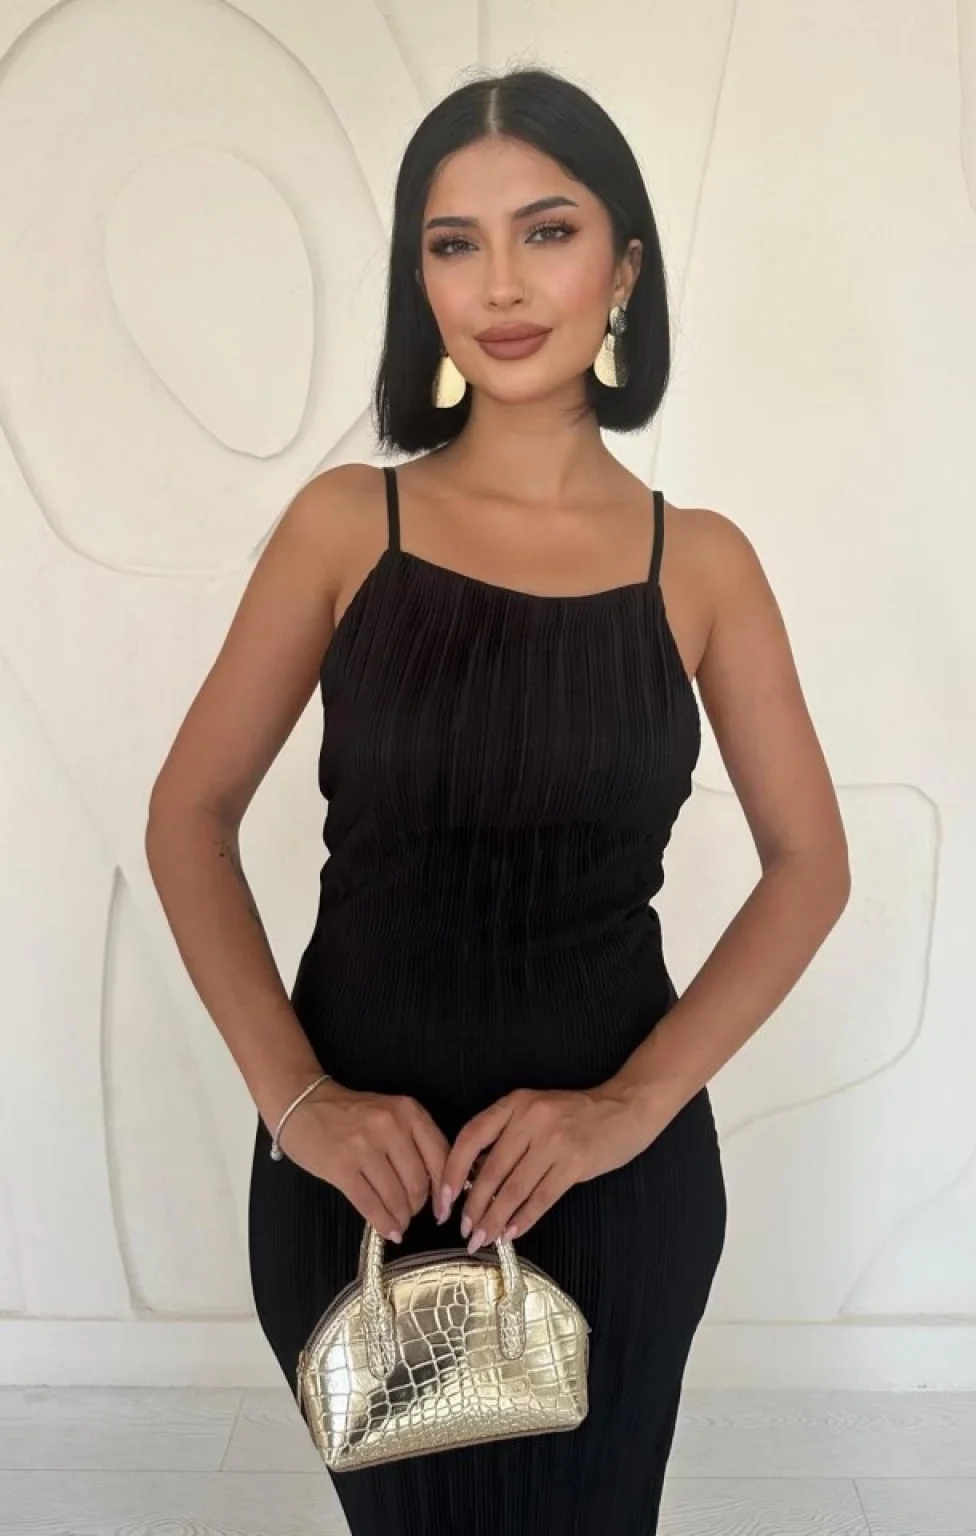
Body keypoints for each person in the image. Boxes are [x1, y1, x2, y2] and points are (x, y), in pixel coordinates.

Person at [145, 64, 850, 1536]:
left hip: (614, 1184)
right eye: (454, 243)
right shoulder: (347, 526)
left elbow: (809, 866)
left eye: (548, 231)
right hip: (361, 1183)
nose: (503, 285)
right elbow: (189, 817)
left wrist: (628, 1111)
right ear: (422, 282)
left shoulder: (701, 564)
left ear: (626, 268)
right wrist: (299, 1100)